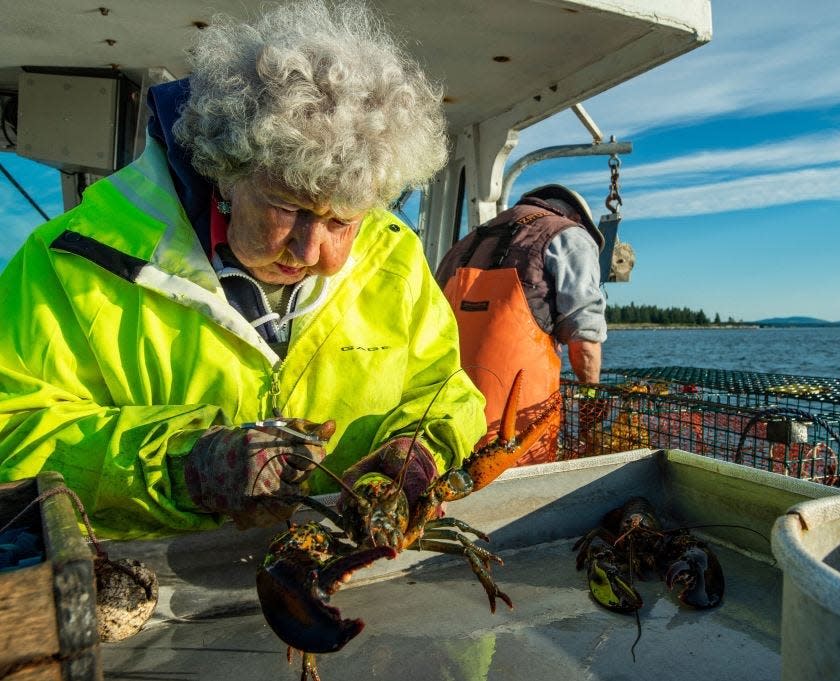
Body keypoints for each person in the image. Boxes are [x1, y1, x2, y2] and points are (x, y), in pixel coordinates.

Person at [0, 1, 486, 539]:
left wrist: (419, 454)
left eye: (342, 220)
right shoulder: (70, 261)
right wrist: (186, 466)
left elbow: (446, 393)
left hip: (350, 568)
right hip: (148, 591)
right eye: (287, 208)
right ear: (225, 172)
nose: (309, 251)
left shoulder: (395, 254)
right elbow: (12, 433)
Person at [436, 184, 607, 464]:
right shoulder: (569, 234)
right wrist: (591, 401)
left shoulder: (468, 241)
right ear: (577, 218)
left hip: (446, 431)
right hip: (514, 440)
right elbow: (584, 338)